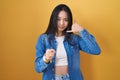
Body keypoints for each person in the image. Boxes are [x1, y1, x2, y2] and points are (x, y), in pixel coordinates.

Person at [35, 4, 101, 80]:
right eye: (58, 19)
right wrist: (45, 58)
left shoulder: (74, 39)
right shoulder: (43, 39)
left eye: (66, 20)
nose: (62, 23)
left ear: (69, 21)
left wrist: (82, 31)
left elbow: (96, 50)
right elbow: (38, 68)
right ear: (53, 19)